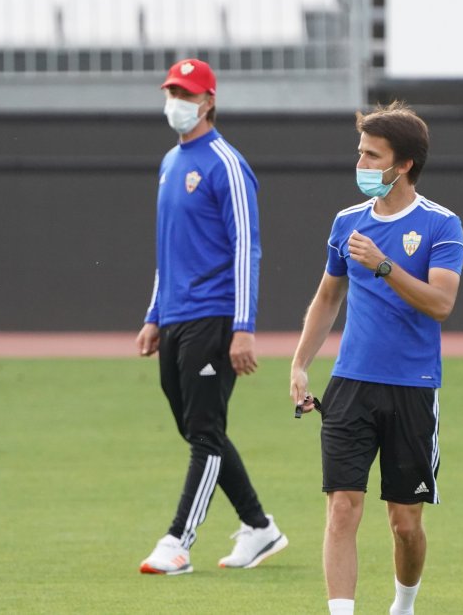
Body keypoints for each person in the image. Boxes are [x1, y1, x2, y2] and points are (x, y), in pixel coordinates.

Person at [290, 101, 463, 615]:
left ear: (404, 163)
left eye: (373, 155)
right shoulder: (346, 222)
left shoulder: (441, 225)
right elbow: (328, 298)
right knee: (342, 509)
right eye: (360, 153)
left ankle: (403, 606)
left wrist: (384, 265)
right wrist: (300, 364)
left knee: (405, 524)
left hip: (412, 386)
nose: (362, 164)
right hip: (350, 385)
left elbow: (441, 303)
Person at [136, 58, 288, 576]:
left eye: (186, 93)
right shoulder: (168, 163)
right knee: (198, 427)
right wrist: (154, 314)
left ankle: (178, 541)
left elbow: (248, 247)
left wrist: (243, 326)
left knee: (203, 430)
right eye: (171, 91)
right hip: (177, 316)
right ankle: (259, 527)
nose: (175, 101)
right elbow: (168, 249)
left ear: (208, 101)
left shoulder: (225, 162)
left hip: (215, 315)